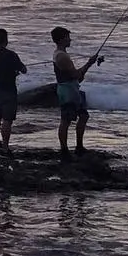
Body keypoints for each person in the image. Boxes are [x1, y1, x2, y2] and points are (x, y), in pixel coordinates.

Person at [51, 26, 102, 160]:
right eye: (68, 37)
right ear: (62, 39)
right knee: (66, 120)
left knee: (84, 116)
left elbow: (76, 77)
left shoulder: (60, 54)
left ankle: (79, 147)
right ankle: (64, 150)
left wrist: (87, 66)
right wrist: (89, 63)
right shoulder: (61, 56)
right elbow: (76, 75)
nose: (70, 39)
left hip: (72, 89)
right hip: (68, 91)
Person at [0, 27, 27, 152]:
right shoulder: (11, 55)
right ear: (6, 40)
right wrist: (16, 71)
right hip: (9, 89)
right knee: (7, 119)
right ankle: (5, 147)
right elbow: (23, 70)